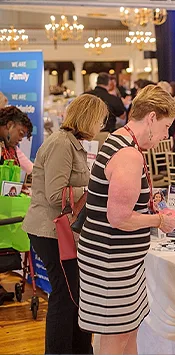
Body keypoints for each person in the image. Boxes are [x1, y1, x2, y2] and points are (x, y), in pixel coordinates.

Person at [77, 85, 175, 355]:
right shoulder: (129, 154)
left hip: (117, 260)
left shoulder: (119, 140)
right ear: (152, 118)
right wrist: (158, 221)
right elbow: (119, 217)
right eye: (166, 126)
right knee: (116, 337)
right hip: (111, 261)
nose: (165, 136)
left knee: (128, 331)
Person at [21, 94, 108, 354]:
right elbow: (57, 195)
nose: (101, 126)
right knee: (66, 295)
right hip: (51, 231)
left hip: (59, 231)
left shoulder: (70, 143)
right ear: (89, 118)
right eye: (100, 120)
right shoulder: (61, 144)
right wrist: (92, 190)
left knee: (73, 295)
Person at [0, 106, 34, 174]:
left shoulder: (11, 149)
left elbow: (31, 168)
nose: (21, 139)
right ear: (9, 125)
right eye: (20, 133)